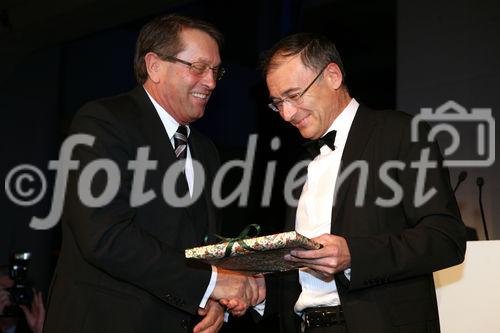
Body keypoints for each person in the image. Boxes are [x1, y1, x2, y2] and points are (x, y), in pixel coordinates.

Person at [44, 14, 264, 333]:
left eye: (216, 70)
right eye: (198, 67)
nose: (211, 82)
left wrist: (212, 301)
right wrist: (212, 283)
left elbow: (197, 249)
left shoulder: (205, 150)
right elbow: (104, 237)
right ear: (155, 66)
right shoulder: (103, 123)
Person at [260, 33, 466, 332]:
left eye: (294, 95)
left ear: (332, 76)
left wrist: (354, 255)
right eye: (278, 103)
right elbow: (300, 273)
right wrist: (258, 284)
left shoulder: (399, 133)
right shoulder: (302, 164)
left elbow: (446, 238)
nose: (287, 114)